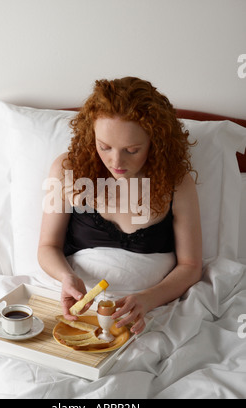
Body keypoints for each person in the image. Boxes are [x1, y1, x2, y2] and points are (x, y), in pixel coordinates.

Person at [38, 77, 202, 335]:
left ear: (155, 142)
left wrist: (148, 299)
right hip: (81, 309)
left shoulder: (177, 183)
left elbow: (191, 265)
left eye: (132, 150)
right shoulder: (67, 170)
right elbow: (47, 247)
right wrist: (66, 277)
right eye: (104, 147)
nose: (116, 161)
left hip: (152, 309)